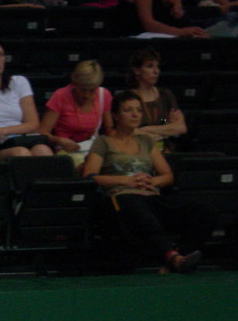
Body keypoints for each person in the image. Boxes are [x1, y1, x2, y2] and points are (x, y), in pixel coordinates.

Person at [82, 91, 212, 273]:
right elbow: (90, 176)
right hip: (121, 198)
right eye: (128, 110)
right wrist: (126, 181)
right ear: (116, 115)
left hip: (150, 194)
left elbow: (167, 176)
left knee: (201, 211)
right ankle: (171, 257)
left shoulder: (146, 141)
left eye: (138, 110)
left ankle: (179, 256)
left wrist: (152, 181)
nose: (135, 114)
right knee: (137, 207)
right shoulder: (104, 142)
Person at [38, 59, 114, 166]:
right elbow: (42, 132)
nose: (87, 95)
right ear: (75, 83)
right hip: (66, 151)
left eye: (92, 90)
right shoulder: (60, 96)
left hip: (92, 148)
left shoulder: (104, 95)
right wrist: (59, 140)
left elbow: (110, 130)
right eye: (83, 90)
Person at [125, 47, 186, 152]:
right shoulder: (128, 98)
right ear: (137, 70)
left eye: (157, 67)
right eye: (150, 66)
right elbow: (129, 132)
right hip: (137, 150)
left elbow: (180, 128)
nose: (156, 71)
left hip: (165, 149)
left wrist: (146, 130)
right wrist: (165, 131)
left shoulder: (165, 95)